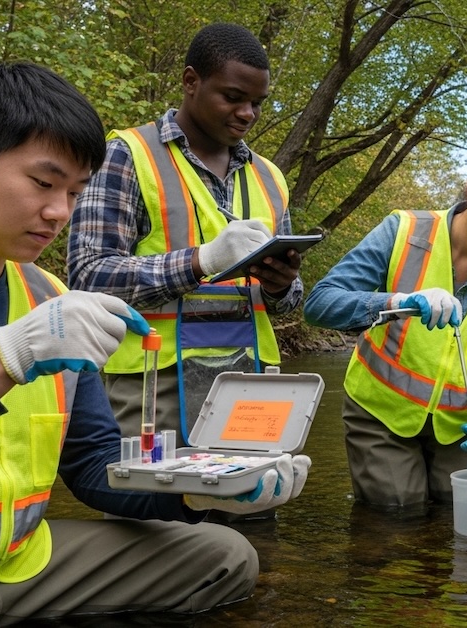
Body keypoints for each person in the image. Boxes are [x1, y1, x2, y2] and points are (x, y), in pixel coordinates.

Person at [0, 62, 310, 625]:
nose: (60, 213)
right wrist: (5, 357)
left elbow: (92, 466)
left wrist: (199, 490)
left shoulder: (49, 295)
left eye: (75, 191)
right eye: (43, 183)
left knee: (223, 557)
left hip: (20, 564)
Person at [68, 23, 303, 449]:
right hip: (155, 386)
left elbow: (287, 302)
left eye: (256, 103)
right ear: (190, 82)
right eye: (233, 97)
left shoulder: (270, 178)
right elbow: (89, 277)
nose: (248, 112)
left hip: (254, 386)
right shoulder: (126, 154)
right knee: (163, 512)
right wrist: (203, 261)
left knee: (250, 512)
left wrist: (281, 285)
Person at [302, 130, 467, 509]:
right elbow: (320, 304)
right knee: (398, 511)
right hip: (380, 411)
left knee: (457, 517)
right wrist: (399, 302)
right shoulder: (404, 231)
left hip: (456, 429)